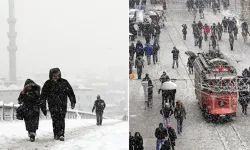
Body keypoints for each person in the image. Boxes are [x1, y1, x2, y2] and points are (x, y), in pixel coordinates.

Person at [40, 68, 76, 141]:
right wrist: (43, 106)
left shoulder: (64, 82)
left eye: (57, 75)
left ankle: (61, 134)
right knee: (55, 119)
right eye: (54, 76)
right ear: (51, 75)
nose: (56, 77)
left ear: (59, 75)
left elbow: (70, 92)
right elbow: (43, 96)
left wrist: (73, 101)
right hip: (52, 105)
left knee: (61, 118)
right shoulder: (48, 84)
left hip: (62, 104)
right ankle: (56, 134)